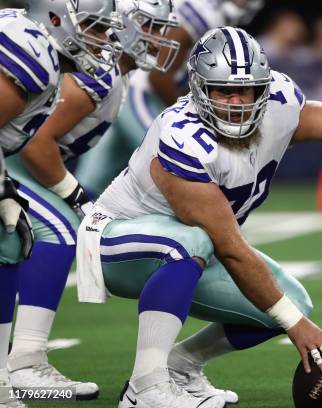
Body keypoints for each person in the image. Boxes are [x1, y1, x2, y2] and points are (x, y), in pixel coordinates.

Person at [75, 27, 322, 408]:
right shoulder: (181, 138)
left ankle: (181, 366)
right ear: (198, 89)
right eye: (224, 90)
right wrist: (298, 331)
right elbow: (230, 247)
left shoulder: (277, 103)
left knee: (292, 301)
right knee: (194, 243)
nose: (237, 102)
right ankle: (145, 385)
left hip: (191, 251)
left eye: (247, 90)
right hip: (113, 242)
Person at [2, 0, 183, 402]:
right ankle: (25, 359)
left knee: (32, 235)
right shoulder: (94, 73)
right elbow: (36, 144)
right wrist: (75, 194)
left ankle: (15, 363)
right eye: (150, 26)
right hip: (12, 163)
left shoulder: (106, 74)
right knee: (60, 229)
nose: (159, 39)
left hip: (15, 163)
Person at [0, 1, 121, 406]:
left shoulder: (49, 58)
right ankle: (19, 366)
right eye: (95, 28)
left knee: (10, 239)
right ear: (56, 18)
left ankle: (6, 373)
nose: (103, 41)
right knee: (40, 230)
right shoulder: (32, 48)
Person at [74, 0, 265, 197]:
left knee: (93, 180)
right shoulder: (205, 11)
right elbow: (159, 76)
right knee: (172, 162)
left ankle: (82, 217)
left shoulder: (214, 13)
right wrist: (194, 111)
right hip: (143, 93)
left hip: (133, 89)